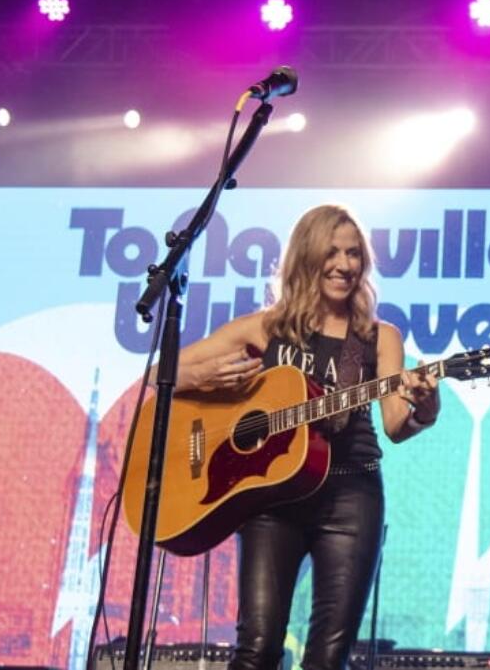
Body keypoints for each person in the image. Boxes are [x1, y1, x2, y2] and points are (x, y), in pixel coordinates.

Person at [171, 203, 440, 670]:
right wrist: (212, 375)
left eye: (354, 254)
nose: (344, 265)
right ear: (305, 258)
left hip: (351, 494)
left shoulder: (379, 337)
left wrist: (427, 409)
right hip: (272, 501)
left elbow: (397, 425)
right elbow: (164, 372)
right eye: (331, 252)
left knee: (328, 658)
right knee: (255, 650)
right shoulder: (265, 328)